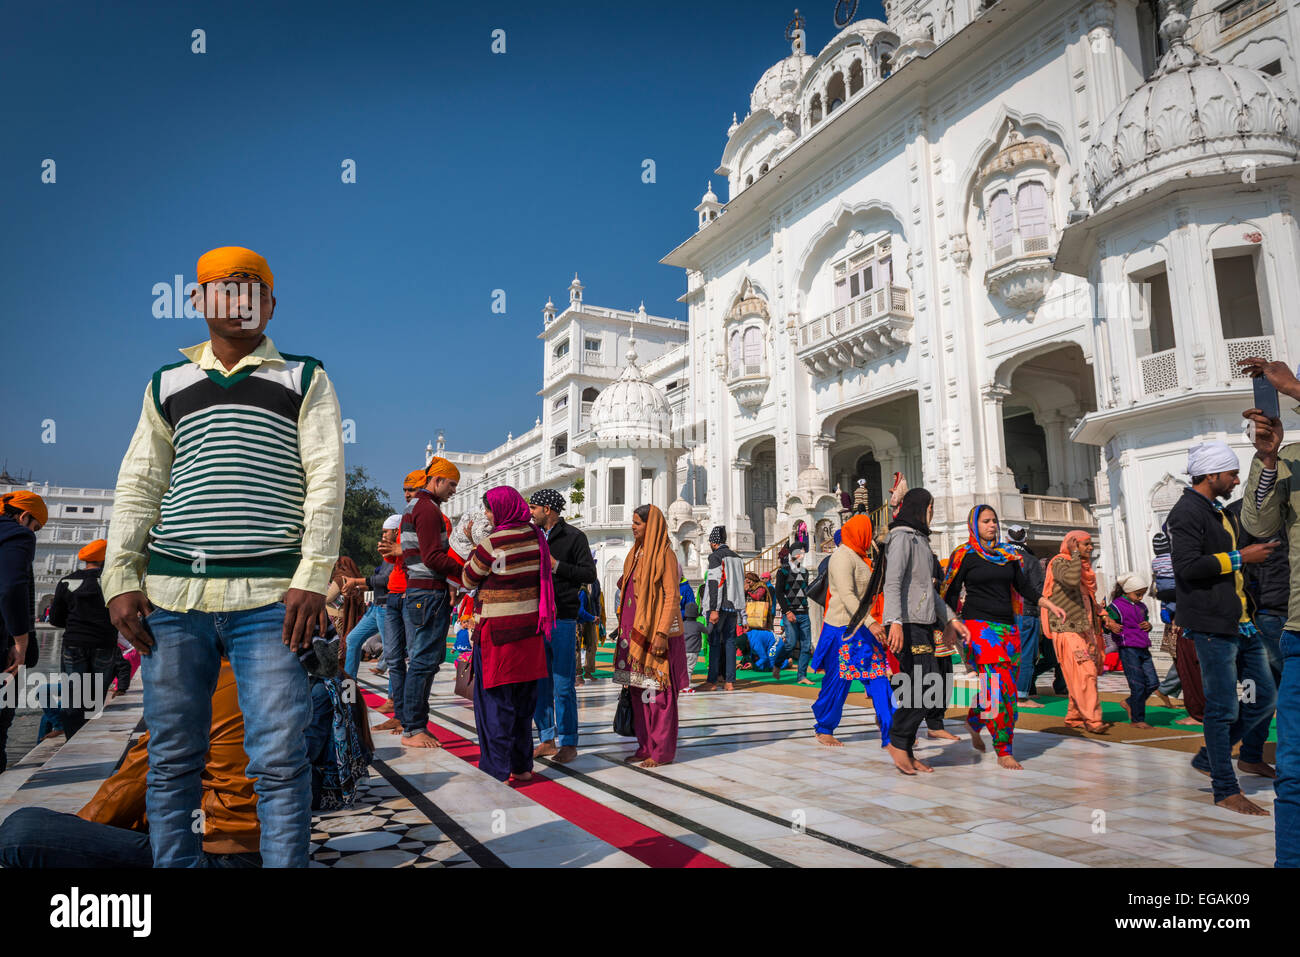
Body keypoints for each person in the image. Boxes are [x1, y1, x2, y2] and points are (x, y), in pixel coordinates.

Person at [102, 246, 344, 868]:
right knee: (173, 758)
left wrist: (312, 576)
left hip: (271, 600)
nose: (239, 302)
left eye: (252, 290)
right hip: (175, 597)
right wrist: (120, 575)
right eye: (224, 289)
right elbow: (140, 483)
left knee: (278, 761)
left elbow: (325, 479)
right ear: (198, 300)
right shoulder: (167, 384)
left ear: (270, 304)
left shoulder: (304, 378)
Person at [1167, 439, 1278, 816]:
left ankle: (1210, 757)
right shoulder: (1185, 513)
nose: (1234, 481)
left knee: (1264, 698)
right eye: (1231, 474)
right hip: (1211, 626)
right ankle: (1224, 788)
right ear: (1211, 474)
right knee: (1222, 708)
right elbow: (1186, 568)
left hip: (1241, 623)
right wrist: (1239, 557)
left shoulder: (1216, 511)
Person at [942, 505, 1064, 769]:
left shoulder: (1009, 555)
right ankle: (1004, 749)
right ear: (974, 524)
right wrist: (949, 625)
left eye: (995, 521)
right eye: (986, 521)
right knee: (1003, 689)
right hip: (979, 628)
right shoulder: (964, 555)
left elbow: (1024, 587)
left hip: (1009, 628)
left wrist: (1048, 604)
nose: (992, 525)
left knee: (995, 686)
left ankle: (975, 721)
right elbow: (949, 591)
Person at [1240, 356, 1300, 860]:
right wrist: (1266, 460)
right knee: (1295, 771)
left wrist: (1296, 390)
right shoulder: (1291, 461)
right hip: (1297, 632)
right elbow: (1258, 525)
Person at [460, 487, 552, 783]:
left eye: (489, 510)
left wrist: (475, 545)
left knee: (495, 704)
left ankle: (496, 768)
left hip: (498, 635)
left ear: (501, 509)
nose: (487, 516)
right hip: (530, 632)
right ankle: (522, 766)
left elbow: (468, 577)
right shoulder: (537, 538)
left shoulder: (493, 542)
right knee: (524, 703)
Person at [882, 489, 967, 774]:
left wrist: (951, 619)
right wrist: (894, 620)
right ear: (922, 507)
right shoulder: (902, 537)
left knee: (928, 687)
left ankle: (904, 747)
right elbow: (892, 582)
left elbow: (928, 591)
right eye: (931, 507)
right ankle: (898, 742)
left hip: (923, 621)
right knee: (924, 685)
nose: (932, 513)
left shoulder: (921, 540)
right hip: (906, 623)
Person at [809, 514, 893, 748]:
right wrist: (871, 623)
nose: (870, 538)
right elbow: (847, 596)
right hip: (843, 630)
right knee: (838, 682)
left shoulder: (860, 556)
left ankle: (891, 731)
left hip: (861, 628)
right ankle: (824, 727)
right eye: (868, 533)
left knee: (878, 678)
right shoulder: (842, 557)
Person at [527, 488, 596, 765]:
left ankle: (568, 742)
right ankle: (546, 738)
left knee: (563, 683)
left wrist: (557, 566)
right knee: (539, 683)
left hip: (563, 617)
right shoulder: (531, 537)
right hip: (535, 617)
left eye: (534, 508)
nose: (530, 513)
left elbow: (588, 573)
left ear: (548, 509)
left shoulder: (574, 537)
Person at [615, 505, 687, 768]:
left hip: (655, 633)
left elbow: (671, 596)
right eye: (633, 523)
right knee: (637, 692)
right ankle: (645, 745)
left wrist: (661, 633)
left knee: (658, 695)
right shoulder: (635, 553)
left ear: (652, 526)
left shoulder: (664, 555)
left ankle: (661, 751)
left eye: (638, 524)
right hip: (633, 634)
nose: (633, 527)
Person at [398, 457, 462, 749]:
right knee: (423, 662)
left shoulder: (420, 507)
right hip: (427, 592)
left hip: (423, 591)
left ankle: (416, 723)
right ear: (435, 480)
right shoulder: (427, 509)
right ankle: (412, 727)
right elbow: (432, 557)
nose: (453, 491)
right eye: (451, 485)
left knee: (427, 661)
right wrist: (468, 572)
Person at [1040, 531, 1112, 737]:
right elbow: (1070, 581)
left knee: (1080, 675)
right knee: (1085, 672)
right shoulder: (1060, 562)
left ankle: (1075, 717)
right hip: (1067, 628)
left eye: (1091, 544)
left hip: (1085, 630)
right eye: (1086, 544)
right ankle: (1093, 719)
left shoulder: (1083, 568)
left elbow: (1087, 598)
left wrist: (1103, 614)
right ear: (1073, 545)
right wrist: (1074, 554)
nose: (1090, 548)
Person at [47, 539, 116, 738]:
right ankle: (87, 737)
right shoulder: (111, 580)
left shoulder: (67, 582)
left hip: (74, 644)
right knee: (95, 696)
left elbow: (55, 619)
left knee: (72, 695)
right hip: (104, 643)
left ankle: (71, 738)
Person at [0, 490, 46, 772]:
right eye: (36, 527)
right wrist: (21, 640)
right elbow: (10, 588)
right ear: (24, 516)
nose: (34, 533)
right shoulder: (18, 534)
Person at [1104, 573, 1159, 728]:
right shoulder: (1116, 606)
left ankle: (1129, 703)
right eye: (1138, 594)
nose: (1141, 598)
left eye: (1142, 594)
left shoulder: (1142, 607)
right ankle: (1137, 719)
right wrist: (1111, 625)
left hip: (1143, 647)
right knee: (1138, 685)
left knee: (1153, 683)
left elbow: (1146, 622)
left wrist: (1149, 626)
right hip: (1128, 648)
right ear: (1128, 591)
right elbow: (1106, 622)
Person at [1004, 524, 1047, 710]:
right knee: (1026, 653)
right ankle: (1021, 695)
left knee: (1004, 655)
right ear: (1025, 539)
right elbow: (1038, 590)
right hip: (1026, 612)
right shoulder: (1030, 559)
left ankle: (1004, 693)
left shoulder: (999, 556)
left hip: (1001, 614)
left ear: (1007, 539)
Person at [700, 526, 745, 692]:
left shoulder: (715, 557)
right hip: (734, 607)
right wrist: (743, 613)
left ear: (713, 543)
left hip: (719, 607)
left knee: (714, 643)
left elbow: (714, 584)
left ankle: (712, 682)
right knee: (730, 643)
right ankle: (729, 681)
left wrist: (713, 609)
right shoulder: (738, 558)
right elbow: (741, 586)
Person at [774, 543, 815, 684]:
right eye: (799, 552)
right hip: (790, 613)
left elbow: (805, 590)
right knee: (791, 643)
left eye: (803, 553)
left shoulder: (805, 572)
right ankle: (777, 665)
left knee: (806, 645)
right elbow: (778, 593)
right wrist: (787, 611)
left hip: (804, 612)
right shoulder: (783, 571)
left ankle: (802, 676)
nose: (802, 555)